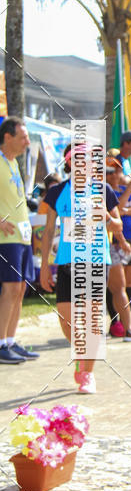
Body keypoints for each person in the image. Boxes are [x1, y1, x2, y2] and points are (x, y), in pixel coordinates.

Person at [40, 144, 124, 392]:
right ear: (69, 164)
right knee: (67, 322)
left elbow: (117, 226)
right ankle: (81, 355)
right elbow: (47, 232)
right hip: (67, 262)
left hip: (96, 261)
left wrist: (106, 216)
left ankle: (87, 374)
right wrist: (44, 266)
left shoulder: (103, 190)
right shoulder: (57, 192)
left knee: (92, 320)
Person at [0, 116, 39, 364]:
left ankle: (10, 341)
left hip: (22, 235)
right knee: (11, 288)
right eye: (23, 137)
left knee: (21, 288)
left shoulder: (13, 164)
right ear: (8, 137)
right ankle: (1, 343)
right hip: (7, 238)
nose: (27, 142)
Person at [105, 158, 131, 341]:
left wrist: (126, 210)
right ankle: (123, 327)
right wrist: (121, 240)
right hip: (108, 243)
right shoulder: (105, 190)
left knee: (123, 285)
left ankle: (122, 326)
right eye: (110, 171)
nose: (115, 175)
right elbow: (114, 216)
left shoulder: (109, 190)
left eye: (117, 171)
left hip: (124, 239)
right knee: (116, 288)